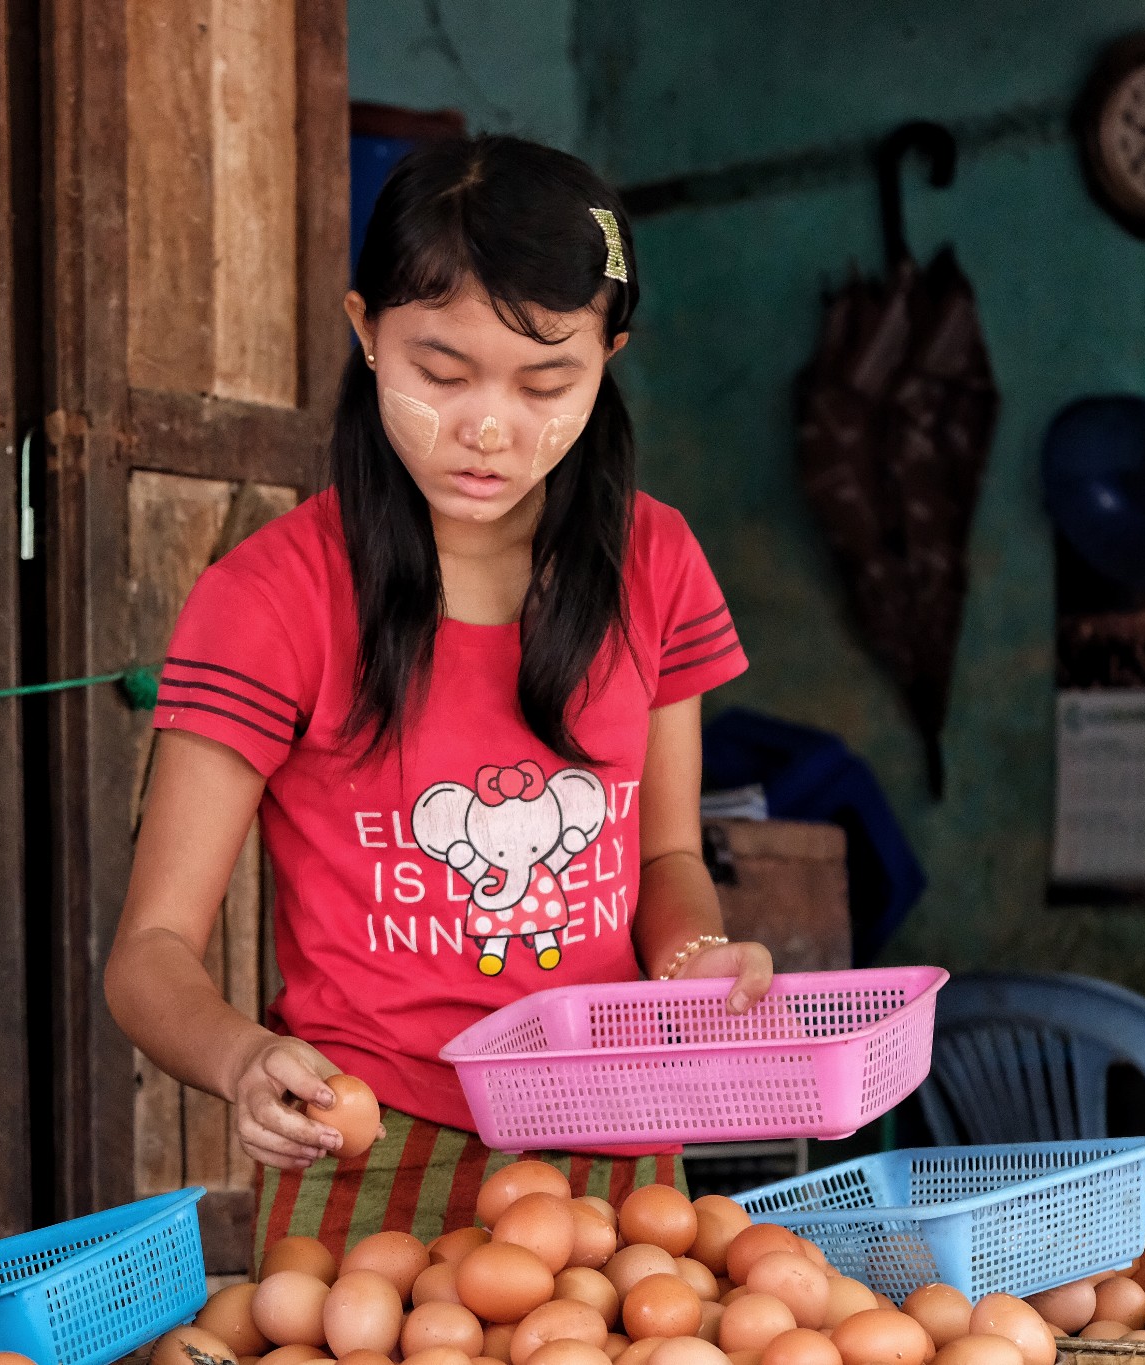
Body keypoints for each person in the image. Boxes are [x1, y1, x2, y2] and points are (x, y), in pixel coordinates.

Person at [103, 135, 774, 1266]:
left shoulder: (655, 564)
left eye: (544, 379)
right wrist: (238, 1059)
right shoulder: (268, 599)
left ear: (608, 354)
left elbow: (663, 863)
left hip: (614, 1148)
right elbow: (150, 950)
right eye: (441, 371)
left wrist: (693, 958)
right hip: (365, 1162)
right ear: (365, 332)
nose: (488, 427)